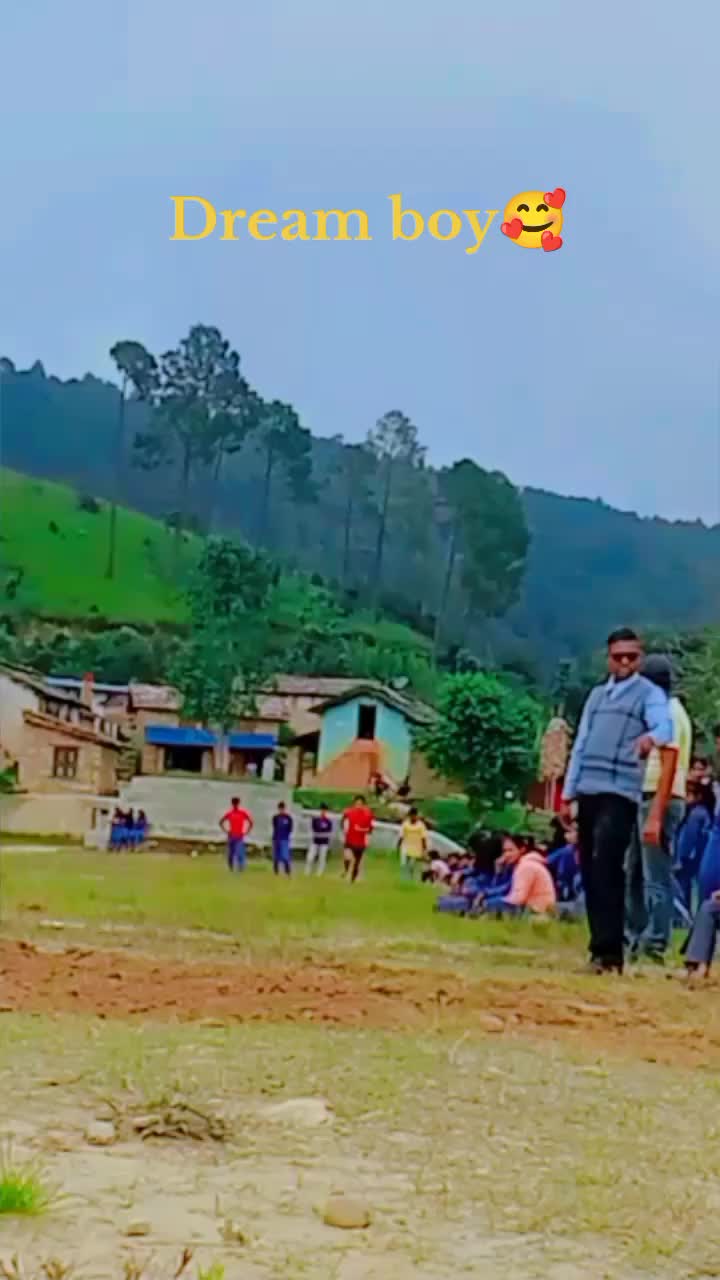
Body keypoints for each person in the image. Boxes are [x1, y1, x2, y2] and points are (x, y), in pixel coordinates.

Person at [562, 627, 674, 974]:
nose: (624, 662)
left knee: (607, 864)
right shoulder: (597, 696)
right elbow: (581, 743)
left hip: (621, 791)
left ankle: (610, 952)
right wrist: (568, 792)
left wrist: (650, 739)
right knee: (590, 868)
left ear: (640, 658)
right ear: (608, 658)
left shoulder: (649, 695)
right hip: (589, 787)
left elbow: (665, 728)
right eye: (618, 656)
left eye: (631, 656)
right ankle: (599, 947)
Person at [625, 655, 688, 965]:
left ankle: (655, 942)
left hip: (659, 798)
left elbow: (669, 763)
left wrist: (655, 815)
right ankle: (635, 936)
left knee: (655, 876)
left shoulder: (669, 714)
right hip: (648, 797)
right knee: (634, 871)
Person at [479, 834, 557, 917]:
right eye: (504, 851)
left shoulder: (526, 866)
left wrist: (489, 902)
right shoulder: (521, 865)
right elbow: (507, 888)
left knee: (489, 904)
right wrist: (498, 874)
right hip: (535, 908)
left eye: (510, 850)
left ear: (522, 849)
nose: (507, 854)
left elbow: (518, 899)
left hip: (538, 911)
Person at [342, 795, 374, 883]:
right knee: (347, 857)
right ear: (354, 803)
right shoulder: (348, 812)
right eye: (357, 803)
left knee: (357, 861)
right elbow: (343, 823)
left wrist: (367, 837)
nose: (358, 805)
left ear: (363, 804)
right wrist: (344, 833)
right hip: (349, 839)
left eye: (360, 804)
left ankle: (352, 879)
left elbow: (370, 828)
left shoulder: (368, 814)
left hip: (360, 841)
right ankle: (346, 870)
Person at [220, 797, 253, 872]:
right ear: (232, 804)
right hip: (231, 836)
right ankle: (231, 868)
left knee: (239, 852)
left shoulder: (243, 813)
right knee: (231, 854)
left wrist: (247, 832)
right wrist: (226, 831)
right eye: (234, 804)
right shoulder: (230, 813)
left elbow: (251, 822)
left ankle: (241, 868)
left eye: (236, 803)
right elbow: (221, 822)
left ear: (238, 803)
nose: (235, 805)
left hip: (239, 836)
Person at [397, 807, 429, 880]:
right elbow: (401, 835)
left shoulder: (421, 825)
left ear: (416, 815)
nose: (413, 817)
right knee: (404, 863)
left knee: (411, 864)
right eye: (411, 815)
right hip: (406, 845)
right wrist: (398, 845)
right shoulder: (405, 824)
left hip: (416, 847)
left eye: (414, 815)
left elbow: (423, 838)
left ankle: (410, 878)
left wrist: (424, 849)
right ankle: (404, 878)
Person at [306, 803, 333, 876]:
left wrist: (324, 835)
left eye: (324, 810)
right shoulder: (315, 820)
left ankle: (319, 873)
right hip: (315, 841)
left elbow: (329, 832)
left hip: (324, 842)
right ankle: (307, 872)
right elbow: (313, 830)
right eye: (322, 810)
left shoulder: (328, 821)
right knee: (310, 857)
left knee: (322, 858)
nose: (323, 812)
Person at [272, 801, 293, 876]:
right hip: (276, 838)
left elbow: (290, 828)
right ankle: (276, 871)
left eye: (282, 808)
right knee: (276, 856)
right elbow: (275, 827)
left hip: (284, 839)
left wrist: (286, 836)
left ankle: (287, 871)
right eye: (280, 809)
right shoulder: (275, 817)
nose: (281, 810)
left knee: (285, 855)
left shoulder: (288, 818)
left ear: (284, 808)